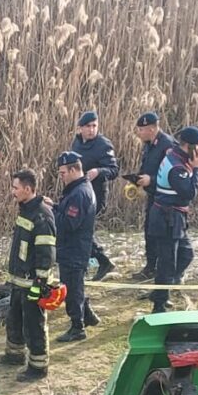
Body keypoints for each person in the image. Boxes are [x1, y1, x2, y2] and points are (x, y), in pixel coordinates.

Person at [0, 168, 57, 382]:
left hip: (33, 283)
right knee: (14, 318)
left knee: (34, 324)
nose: (12, 192)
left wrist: (40, 283)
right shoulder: (26, 210)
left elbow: (46, 253)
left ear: (28, 189)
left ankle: (38, 366)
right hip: (18, 280)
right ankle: (14, 354)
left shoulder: (41, 215)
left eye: (15, 188)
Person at [146, 126, 198, 314]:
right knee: (166, 263)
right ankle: (159, 304)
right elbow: (189, 192)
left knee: (186, 254)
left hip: (175, 217)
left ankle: (165, 288)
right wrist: (197, 170)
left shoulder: (175, 155)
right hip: (167, 218)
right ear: (190, 146)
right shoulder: (177, 167)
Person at [52, 151, 100, 342]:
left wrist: (50, 213)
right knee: (74, 286)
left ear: (73, 170)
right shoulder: (78, 189)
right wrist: (55, 206)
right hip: (73, 248)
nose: (61, 177)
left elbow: (68, 224)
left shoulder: (80, 193)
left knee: (71, 289)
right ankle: (86, 315)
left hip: (74, 249)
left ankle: (77, 327)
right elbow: (66, 214)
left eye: (63, 173)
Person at [68, 110, 120, 281]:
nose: (91, 130)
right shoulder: (76, 143)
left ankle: (101, 261)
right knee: (77, 230)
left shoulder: (103, 145)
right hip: (77, 193)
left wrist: (99, 171)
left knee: (82, 230)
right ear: (80, 128)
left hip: (95, 195)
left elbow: (114, 170)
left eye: (94, 126)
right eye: (88, 126)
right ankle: (96, 262)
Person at [133, 111, 176, 282]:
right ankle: (151, 267)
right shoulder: (149, 144)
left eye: (141, 130)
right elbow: (148, 167)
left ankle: (165, 272)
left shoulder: (168, 146)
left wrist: (151, 180)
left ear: (151, 129)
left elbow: (172, 176)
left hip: (165, 199)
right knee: (149, 232)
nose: (139, 133)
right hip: (153, 196)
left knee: (161, 235)